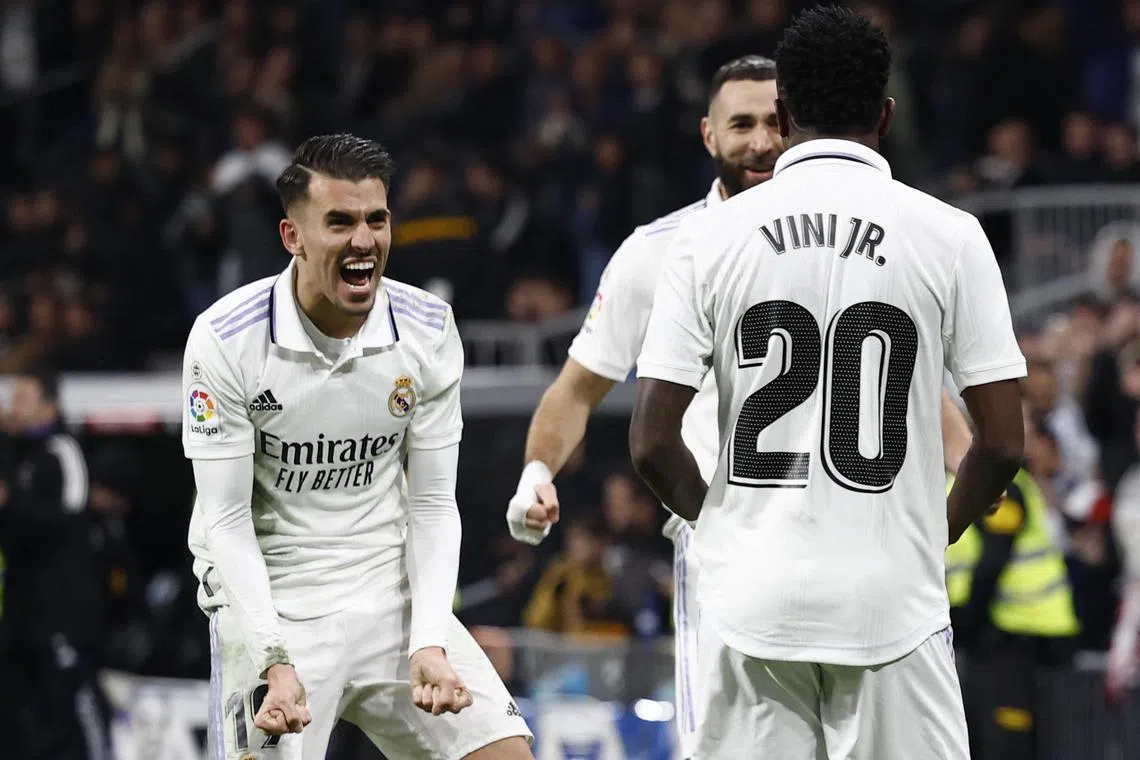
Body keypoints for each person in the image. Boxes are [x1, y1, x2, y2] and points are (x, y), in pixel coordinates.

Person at [506, 54, 975, 759]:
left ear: (794, 125)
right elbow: (579, 386)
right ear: (706, 135)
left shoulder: (848, 232)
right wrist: (537, 469)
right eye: (741, 124)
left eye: (771, 123)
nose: (760, 141)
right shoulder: (660, 253)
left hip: (858, 533)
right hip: (734, 542)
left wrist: (964, 469)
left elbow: (906, 378)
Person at [629, 7, 1025, 759]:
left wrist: (719, 533)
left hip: (750, 600)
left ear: (781, 116)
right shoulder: (949, 234)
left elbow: (651, 442)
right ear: (885, 113)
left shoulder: (707, 240)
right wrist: (934, 534)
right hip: (891, 604)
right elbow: (1003, 440)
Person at [181, 133, 533, 760]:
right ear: (293, 237)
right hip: (276, 603)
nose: (364, 240)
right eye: (339, 222)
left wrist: (428, 639)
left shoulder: (427, 329)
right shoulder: (226, 340)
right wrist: (271, 657)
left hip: (389, 594)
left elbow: (431, 504)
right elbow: (226, 521)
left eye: (377, 219)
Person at [946, 410, 1078, 760]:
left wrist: (967, 630)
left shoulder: (1008, 488)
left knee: (1004, 745)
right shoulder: (956, 481)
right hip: (992, 638)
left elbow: (992, 562)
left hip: (1011, 636)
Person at [0, 368, 110, 760]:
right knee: (23, 720)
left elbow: (69, 516)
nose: (12, 406)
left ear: (49, 406)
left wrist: (11, 504)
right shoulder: (14, 456)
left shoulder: (62, 450)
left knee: (72, 711)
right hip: (21, 613)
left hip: (63, 613)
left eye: (22, 398)